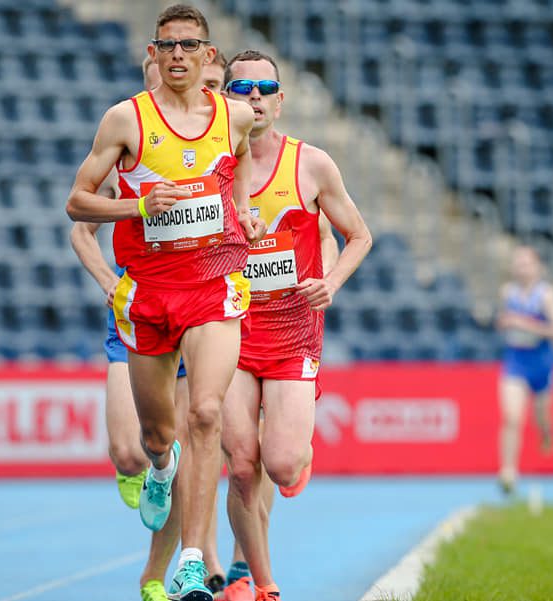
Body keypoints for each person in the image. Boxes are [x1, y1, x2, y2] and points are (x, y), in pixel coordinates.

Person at [66, 5, 265, 601]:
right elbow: (77, 203)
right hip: (149, 294)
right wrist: (139, 206)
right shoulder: (125, 119)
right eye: (168, 45)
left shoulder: (234, 116)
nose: (179, 54)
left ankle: (192, 560)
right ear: (154, 53)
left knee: (205, 413)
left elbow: (240, 161)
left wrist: (244, 210)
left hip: (214, 285)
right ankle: (160, 468)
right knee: (155, 437)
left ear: (209, 55)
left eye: (189, 45)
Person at [219, 50, 372, 600]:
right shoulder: (212, 168)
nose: (255, 98)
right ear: (226, 100)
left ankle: (294, 455)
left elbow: (359, 235)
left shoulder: (312, 164)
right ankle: (260, 583)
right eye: (243, 89)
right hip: (229, 329)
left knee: (280, 465)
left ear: (280, 101)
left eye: (265, 89)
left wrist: (331, 282)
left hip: (292, 333)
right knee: (241, 465)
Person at [496, 244, 553, 495]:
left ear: (538, 267)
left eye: (526, 263)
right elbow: (504, 323)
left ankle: (547, 432)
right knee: (511, 417)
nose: (521, 268)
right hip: (516, 361)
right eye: (518, 263)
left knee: (541, 417)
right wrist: (505, 324)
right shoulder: (507, 292)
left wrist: (525, 324)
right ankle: (508, 472)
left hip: (541, 363)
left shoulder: (546, 295)